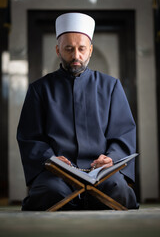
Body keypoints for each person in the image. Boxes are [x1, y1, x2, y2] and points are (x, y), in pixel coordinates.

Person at [17, 12, 139, 211]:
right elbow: (30, 136)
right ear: (58, 50)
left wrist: (111, 158)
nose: (76, 56)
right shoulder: (39, 89)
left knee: (119, 190)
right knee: (49, 192)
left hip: (101, 172)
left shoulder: (111, 86)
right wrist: (50, 159)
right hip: (57, 173)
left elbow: (123, 133)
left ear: (90, 50)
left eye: (81, 49)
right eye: (69, 49)